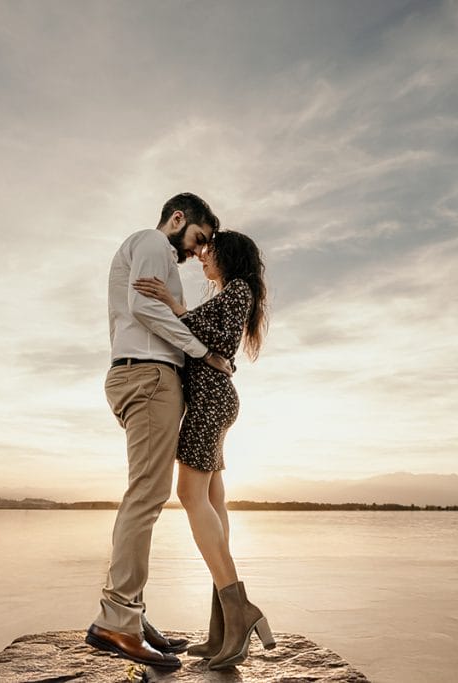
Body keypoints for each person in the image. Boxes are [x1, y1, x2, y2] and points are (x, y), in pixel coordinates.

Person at [85, 193, 232, 670]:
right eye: (198, 237)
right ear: (177, 218)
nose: (198, 250)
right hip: (148, 376)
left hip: (148, 376)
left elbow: (159, 310)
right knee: (147, 495)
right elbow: (144, 309)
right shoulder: (151, 241)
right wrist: (202, 353)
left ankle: (132, 612)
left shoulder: (159, 255)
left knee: (145, 493)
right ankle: (118, 620)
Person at [132, 229, 275, 670]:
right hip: (216, 399)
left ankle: (240, 611)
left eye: (207, 253)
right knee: (212, 501)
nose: (200, 260)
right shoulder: (236, 292)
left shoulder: (238, 289)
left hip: (211, 402)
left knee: (190, 497)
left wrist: (175, 308)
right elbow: (213, 340)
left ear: (228, 256)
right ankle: (221, 629)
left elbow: (213, 337)